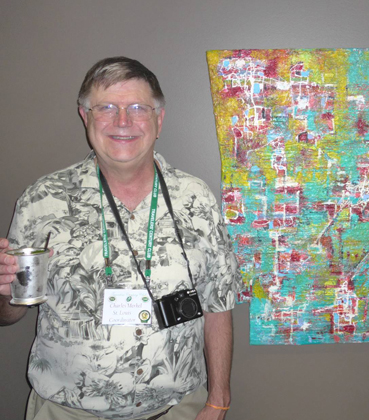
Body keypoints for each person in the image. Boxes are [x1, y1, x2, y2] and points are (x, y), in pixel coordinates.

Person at [0, 57, 241, 420]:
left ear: (159, 119)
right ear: (85, 116)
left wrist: (218, 400)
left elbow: (218, 305)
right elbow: (11, 312)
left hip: (177, 410)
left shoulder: (197, 198)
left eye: (138, 108)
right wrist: (4, 290)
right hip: (65, 412)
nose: (123, 121)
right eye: (107, 107)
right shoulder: (41, 201)